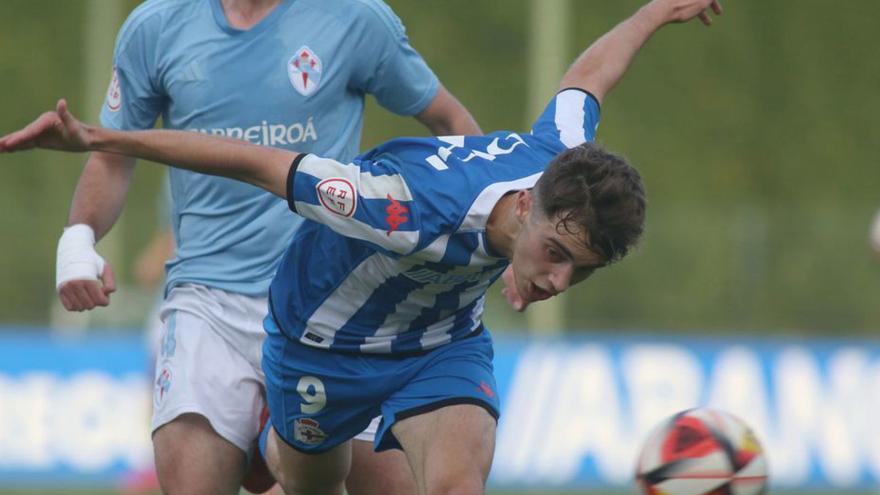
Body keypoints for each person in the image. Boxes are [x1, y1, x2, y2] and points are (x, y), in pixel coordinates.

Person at [0, 0, 723, 493]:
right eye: (559, 255)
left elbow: (582, 82)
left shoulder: (553, 161)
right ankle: (274, 446)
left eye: (579, 268)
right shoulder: (396, 207)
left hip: (429, 338)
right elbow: (249, 161)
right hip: (287, 325)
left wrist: (655, 11)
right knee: (264, 477)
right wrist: (95, 155)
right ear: (530, 209)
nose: (561, 279)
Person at [47, 0, 482, 494]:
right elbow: (112, 154)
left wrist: (493, 231)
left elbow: (449, 122)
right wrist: (78, 240)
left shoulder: (354, 18)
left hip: (335, 307)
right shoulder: (156, 26)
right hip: (210, 305)